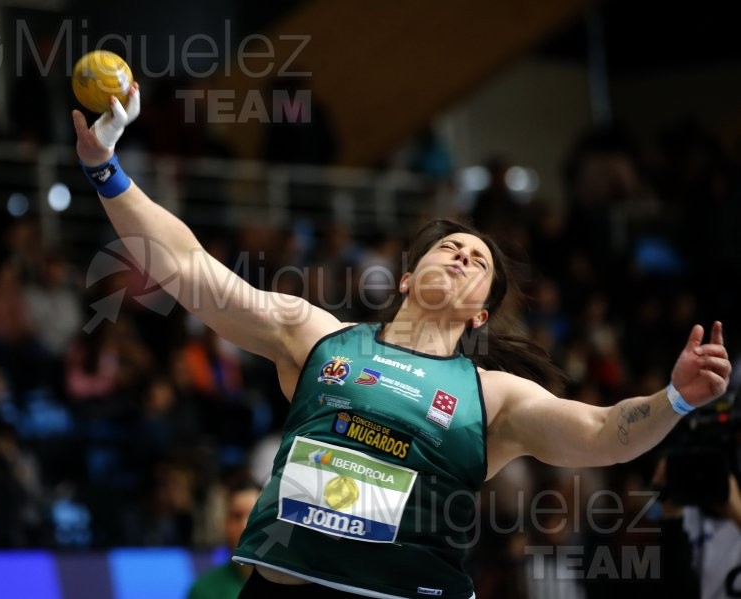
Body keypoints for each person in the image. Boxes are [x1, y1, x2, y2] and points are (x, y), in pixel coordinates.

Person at [71, 85, 732, 599]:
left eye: (480, 261)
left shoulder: (491, 396)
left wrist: (674, 397)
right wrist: (105, 171)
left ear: (481, 314)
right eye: (451, 247)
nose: (465, 257)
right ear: (410, 276)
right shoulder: (317, 338)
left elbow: (603, 431)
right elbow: (189, 268)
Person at [187, 481, 261, 599]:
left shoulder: (292, 584)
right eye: (237, 516)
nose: (244, 525)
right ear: (225, 523)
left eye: (254, 515)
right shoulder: (204, 590)